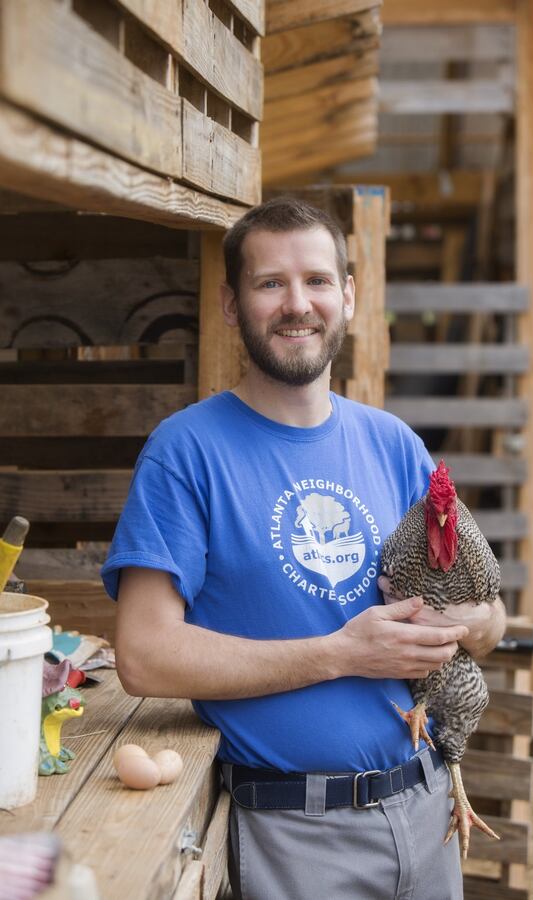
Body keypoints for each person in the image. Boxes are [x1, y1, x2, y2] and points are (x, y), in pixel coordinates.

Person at [102, 197, 506, 900]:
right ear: (232, 304)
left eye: (318, 281)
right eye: (270, 284)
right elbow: (141, 653)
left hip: (429, 809)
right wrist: (342, 653)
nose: (298, 304)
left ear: (347, 296)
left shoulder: (394, 445)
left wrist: (466, 624)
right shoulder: (187, 451)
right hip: (296, 831)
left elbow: (490, 618)